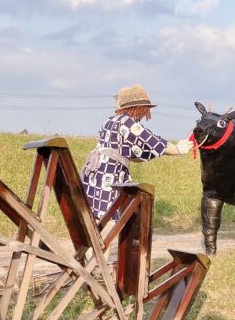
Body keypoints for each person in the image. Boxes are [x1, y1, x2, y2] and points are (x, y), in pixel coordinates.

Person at [81, 84, 191, 221]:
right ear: (137, 108)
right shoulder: (128, 122)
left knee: (97, 208)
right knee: (110, 211)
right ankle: (104, 239)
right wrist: (178, 149)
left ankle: (98, 237)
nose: (145, 114)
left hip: (95, 171)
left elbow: (134, 152)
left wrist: (160, 152)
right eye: (144, 110)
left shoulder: (110, 120)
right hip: (109, 172)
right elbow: (151, 140)